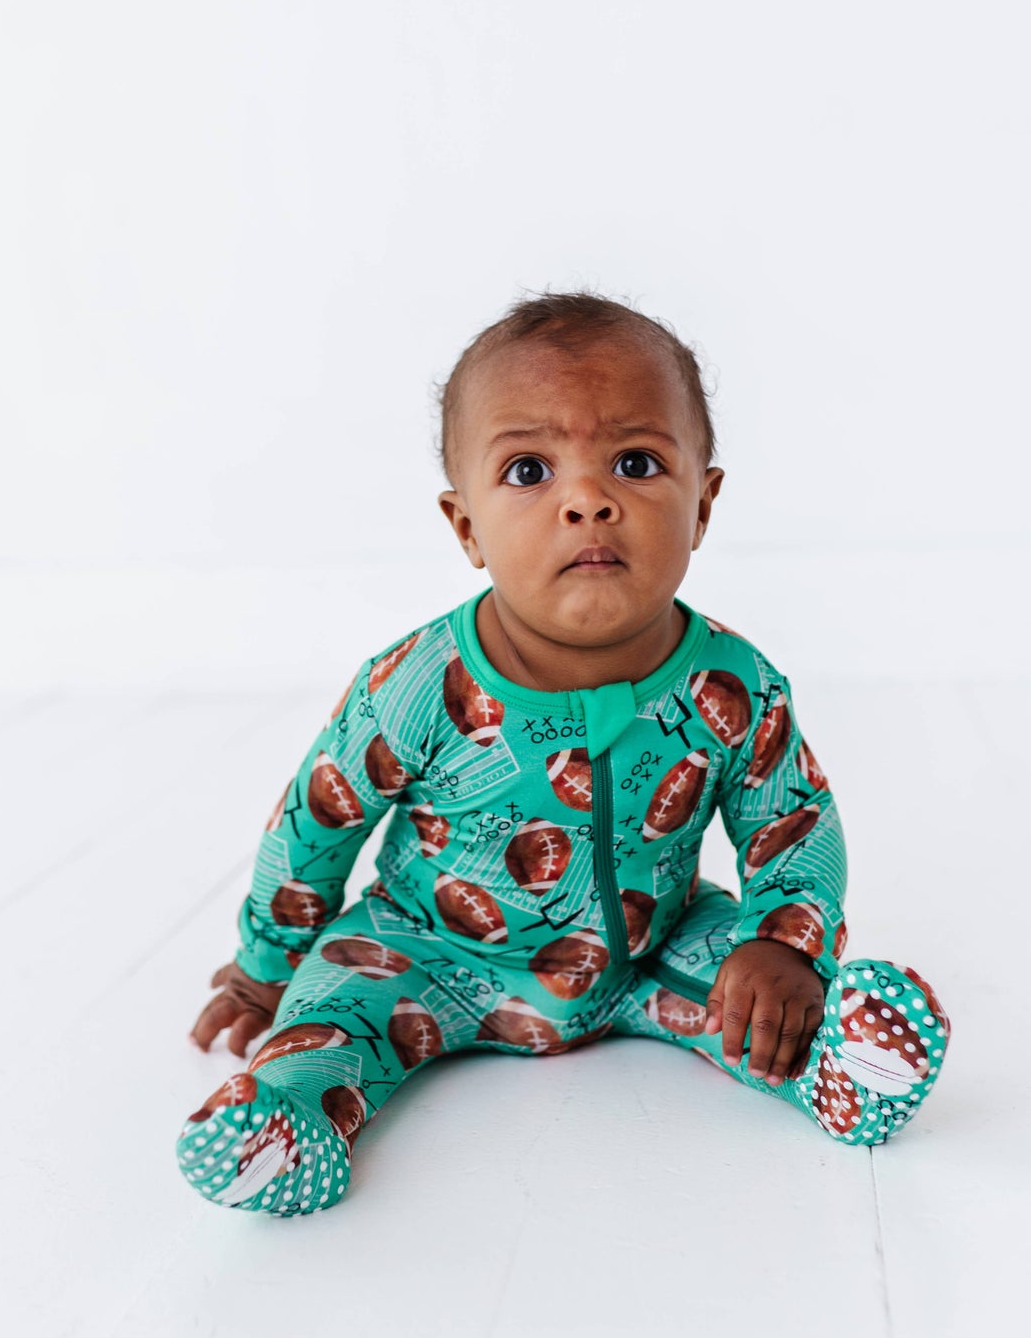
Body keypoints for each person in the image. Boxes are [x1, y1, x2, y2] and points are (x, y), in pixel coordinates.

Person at [178, 291, 950, 1217]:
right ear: (466, 527)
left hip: (653, 948)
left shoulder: (734, 685)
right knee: (334, 1011)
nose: (588, 500)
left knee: (759, 1000)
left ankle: (842, 1067)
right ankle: (289, 1122)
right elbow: (316, 819)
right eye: (529, 470)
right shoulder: (416, 685)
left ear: (703, 505)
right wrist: (265, 967)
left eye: (635, 463)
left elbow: (791, 821)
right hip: (426, 951)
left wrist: (785, 943)